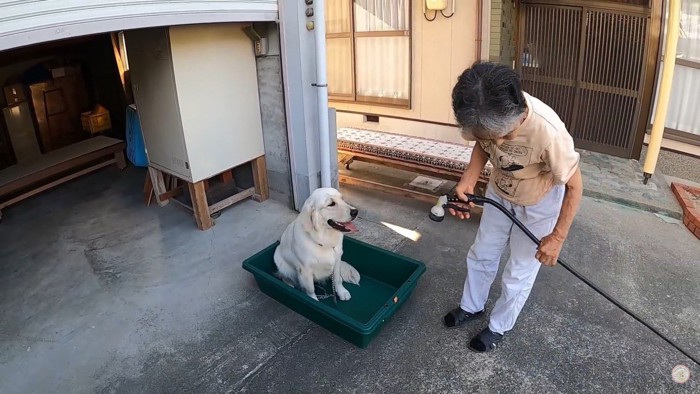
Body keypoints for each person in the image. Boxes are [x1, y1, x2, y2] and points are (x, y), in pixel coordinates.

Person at [443, 62, 583, 352]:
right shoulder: (484, 115)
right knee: (482, 253)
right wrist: (468, 179)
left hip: (538, 202)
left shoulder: (549, 132)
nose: (499, 143)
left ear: (518, 113)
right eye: (491, 136)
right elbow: (483, 145)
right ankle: (472, 306)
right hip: (498, 191)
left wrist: (557, 237)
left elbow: (574, 186)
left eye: (505, 136)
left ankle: (498, 327)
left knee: (519, 270)